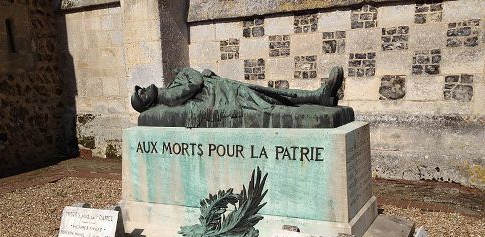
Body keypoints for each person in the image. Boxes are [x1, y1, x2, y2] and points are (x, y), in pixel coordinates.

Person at [131, 66, 350, 128]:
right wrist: (186, 71)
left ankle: (319, 97)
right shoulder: (167, 96)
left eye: (140, 90)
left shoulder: (168, 87)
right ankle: (318, 97)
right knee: (271, 99)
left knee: (272, 95)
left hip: (225, 90)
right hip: (228, 98)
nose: (143, 89)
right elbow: (195, 82)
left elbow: (197, 81)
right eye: (141, 94)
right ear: (148, 102)